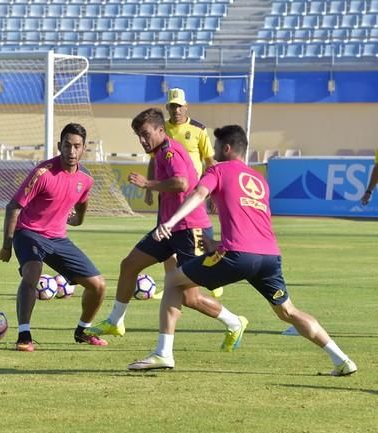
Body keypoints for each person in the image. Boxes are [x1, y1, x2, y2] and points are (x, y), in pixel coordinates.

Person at [128, 125, 357, 376]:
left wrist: (170, 223)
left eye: (216, 148)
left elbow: (197, 194)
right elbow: (252, 222)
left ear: (226, 148)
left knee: (173, 279)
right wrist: (217, 245)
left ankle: (163, 353)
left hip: (237, 255)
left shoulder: (218, 169)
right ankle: (342, 360)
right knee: (288, 311)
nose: (213, 154)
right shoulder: (260, 180)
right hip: (269, 257)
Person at [87, 108, 246, 351]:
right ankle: (115, 321)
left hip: (189, 230)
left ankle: (234, 322)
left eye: (145, 134)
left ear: (161, 131)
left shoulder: (170, 152)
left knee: (188, 297)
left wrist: (148, 184)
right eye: (138, 135)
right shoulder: (160, 152)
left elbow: (182, 182)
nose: (142, 139)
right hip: (168, 230)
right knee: (129, 265)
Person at [0, 123, 108, 352]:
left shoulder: (85, 179)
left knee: (98, 285)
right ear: (59, 145)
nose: (71, 151)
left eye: (77, 146)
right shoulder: (43, 173)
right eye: (67, 145)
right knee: (32, 272)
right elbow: (13, 207)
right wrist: (7, 245)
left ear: (83, 149)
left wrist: (78, 220)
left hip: (58, 239)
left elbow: (82, 201)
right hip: (28, 233)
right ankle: (24, 334)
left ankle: (82, 331)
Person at [144, 87, 223, 298]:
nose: (176, 110)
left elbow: (209, 161)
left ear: (186, 106)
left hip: (194, 192)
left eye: (179, 106)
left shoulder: (198, 129)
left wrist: (214, 191)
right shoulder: (161, 130)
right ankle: (171, 281)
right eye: (172, 106)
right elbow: (153, 160)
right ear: (167, 107)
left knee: (197, 237)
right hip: (169, 192)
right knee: (166, 237)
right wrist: (150, 187)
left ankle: (214, 276)